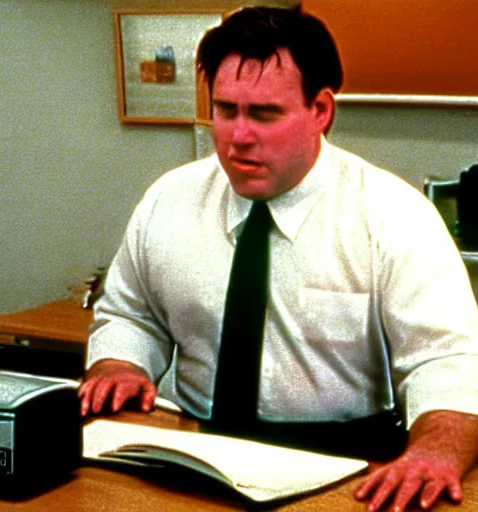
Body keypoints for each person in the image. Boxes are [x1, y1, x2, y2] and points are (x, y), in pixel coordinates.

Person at [79, 5, 478, 511]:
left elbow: (446, 359)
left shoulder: (393, 216)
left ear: (321, 111)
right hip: (195, 455)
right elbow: (133, 312)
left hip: (342, 469)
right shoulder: (169, 200)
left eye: (265, 114)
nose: (238, 136)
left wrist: (438, 448)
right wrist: (120, 362)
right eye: (226, 110)